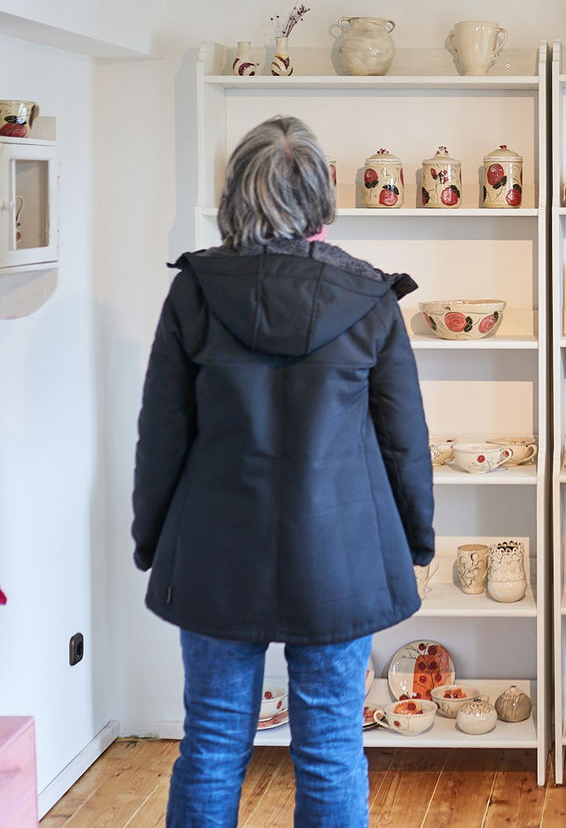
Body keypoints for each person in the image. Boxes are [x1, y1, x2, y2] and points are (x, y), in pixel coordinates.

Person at [131, 116, 433, 828]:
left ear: (236, 192)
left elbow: (162, 434)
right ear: (321, 193)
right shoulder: (369, 299)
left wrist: (151, 540)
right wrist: (417, 540)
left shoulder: (195, 292)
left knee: (211, 742)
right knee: (331, 748)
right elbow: (404, 441)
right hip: (340, 557)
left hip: (214, 552)